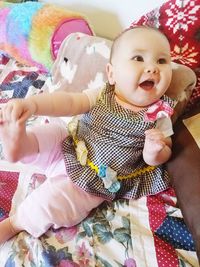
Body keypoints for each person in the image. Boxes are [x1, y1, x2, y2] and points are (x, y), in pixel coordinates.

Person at [0, 26, 175, 243]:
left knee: (56, 202)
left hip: (97, 176)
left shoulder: (159, 115)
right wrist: (33, 105)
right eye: (138, 58)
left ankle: (15, 223)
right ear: (112, 74)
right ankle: (19, 145)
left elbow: (162, 154)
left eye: (162, 61)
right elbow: (70, 102)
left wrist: (154, 151)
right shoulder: (103, 93)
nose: (152, 69)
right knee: (49, 134)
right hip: (72, 143)